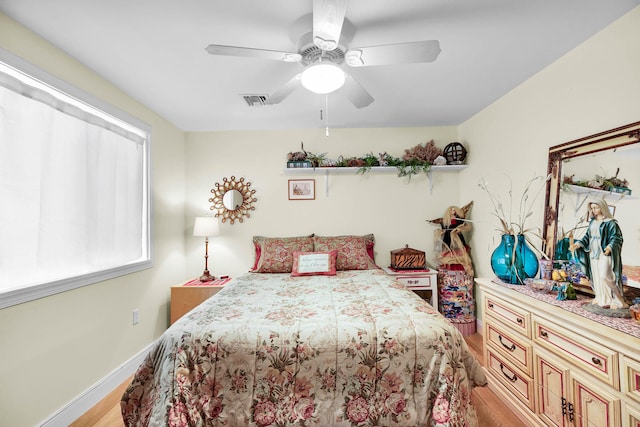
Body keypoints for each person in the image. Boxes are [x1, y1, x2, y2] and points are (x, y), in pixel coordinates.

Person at [569, 199, 628, 309]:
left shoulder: (610, 223)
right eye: (592, 208)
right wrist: (578, 244)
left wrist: (610, 247)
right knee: (596, 276)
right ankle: (602, 298)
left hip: (604, 253)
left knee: (605, 275)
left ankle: (617, 300)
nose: (594, 210)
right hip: (593, 253)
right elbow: (587, 237)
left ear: (603, 207)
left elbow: (616, 238)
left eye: (596, 207)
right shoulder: (593, 221)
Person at [428, 202, 474, 277]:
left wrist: (460, 228)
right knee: (448, 249)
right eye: (452, 210)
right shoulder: (445, 221)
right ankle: (449, 270)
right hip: (448, 236)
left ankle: (460, 271)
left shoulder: (458, 219)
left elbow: (463, 225)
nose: (454, 211)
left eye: (454, 210)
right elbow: (443, 227)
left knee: (458, 249)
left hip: (456, 236)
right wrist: (442, 231)